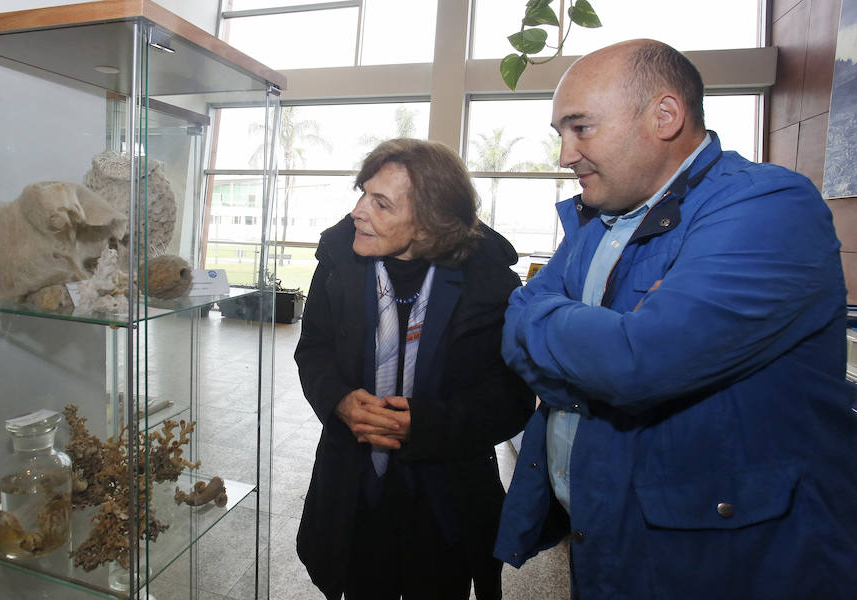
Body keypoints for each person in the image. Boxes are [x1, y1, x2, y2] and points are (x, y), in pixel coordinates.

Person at [494, 38, 857, 599]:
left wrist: (570, 331)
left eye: (580, 128)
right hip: (613, 544)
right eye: (559, 134)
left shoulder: (769, 206)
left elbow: (637, 362)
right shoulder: (600, 219)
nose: (565, 154)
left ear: (665, 116)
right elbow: (515, 316)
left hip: (731, 564)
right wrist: (586, 333)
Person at [295, 138, 535, 600]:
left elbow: (512, 395)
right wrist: (338, 400)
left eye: (381, 203)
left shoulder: (489, 276)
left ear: (429, 225)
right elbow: (314, 350)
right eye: (363, 193)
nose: (358, 212)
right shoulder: (338, 257)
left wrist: (429, 424)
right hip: (355, 488)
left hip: (446, 499)